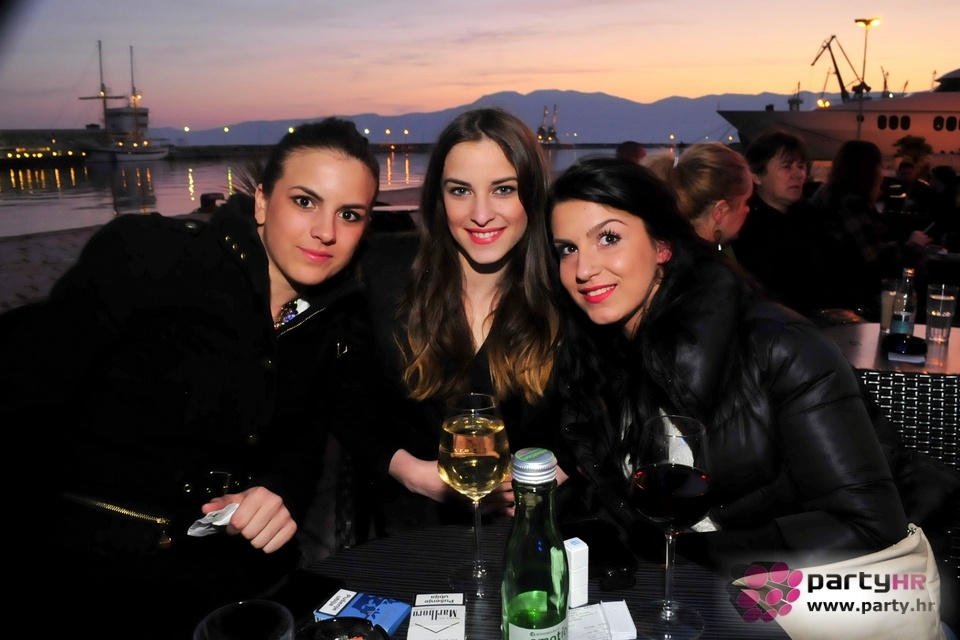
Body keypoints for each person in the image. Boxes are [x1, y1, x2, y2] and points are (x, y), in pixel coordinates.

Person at [1, 118, 384, 637]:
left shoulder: (332, 321)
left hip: (236, 578)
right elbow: (22, 406)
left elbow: (301, 453)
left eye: (349, 214)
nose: (326, 231)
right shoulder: (151, 258)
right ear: (261, 201)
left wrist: (273, 494)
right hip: (89, 575)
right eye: (304, 201)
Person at [547, 156, 910, 577]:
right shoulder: (603, 355)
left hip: (784, 599)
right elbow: (626, 503)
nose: (584, 269)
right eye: (568, 249)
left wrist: (693, 556)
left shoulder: (782, 349)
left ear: (663, 246)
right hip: (681, 590)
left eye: (608, 238)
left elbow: (870, 527)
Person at [360, 107, 573, 533]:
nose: (480, 213)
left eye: (503, 189)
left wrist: (556, 474)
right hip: (413, 527)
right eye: (460, 190)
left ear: (533, 194)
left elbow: (607, 409)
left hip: (533, 528)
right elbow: (343, 397)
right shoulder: (383, 273)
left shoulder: (569, 289)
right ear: (439, 199)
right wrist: (406, 470)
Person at [731, 130, 853, 318]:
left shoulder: (813, 217)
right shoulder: (745, 227)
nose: (798, 174)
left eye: (801, 166)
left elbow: (840, 272)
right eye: (787, 167)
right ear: (757, 176)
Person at [811, 140, 931, 312]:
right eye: (878, 167)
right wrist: (912, 246)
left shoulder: (826, 194)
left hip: (829, 296)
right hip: (854, 303)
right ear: (868, 170)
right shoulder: (850, 203)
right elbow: (874, 260)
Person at [643, 142, 752, 254]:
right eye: (745, 202)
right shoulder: (708, 262)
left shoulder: (663, 254)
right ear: (720, 211)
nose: (747, 209)